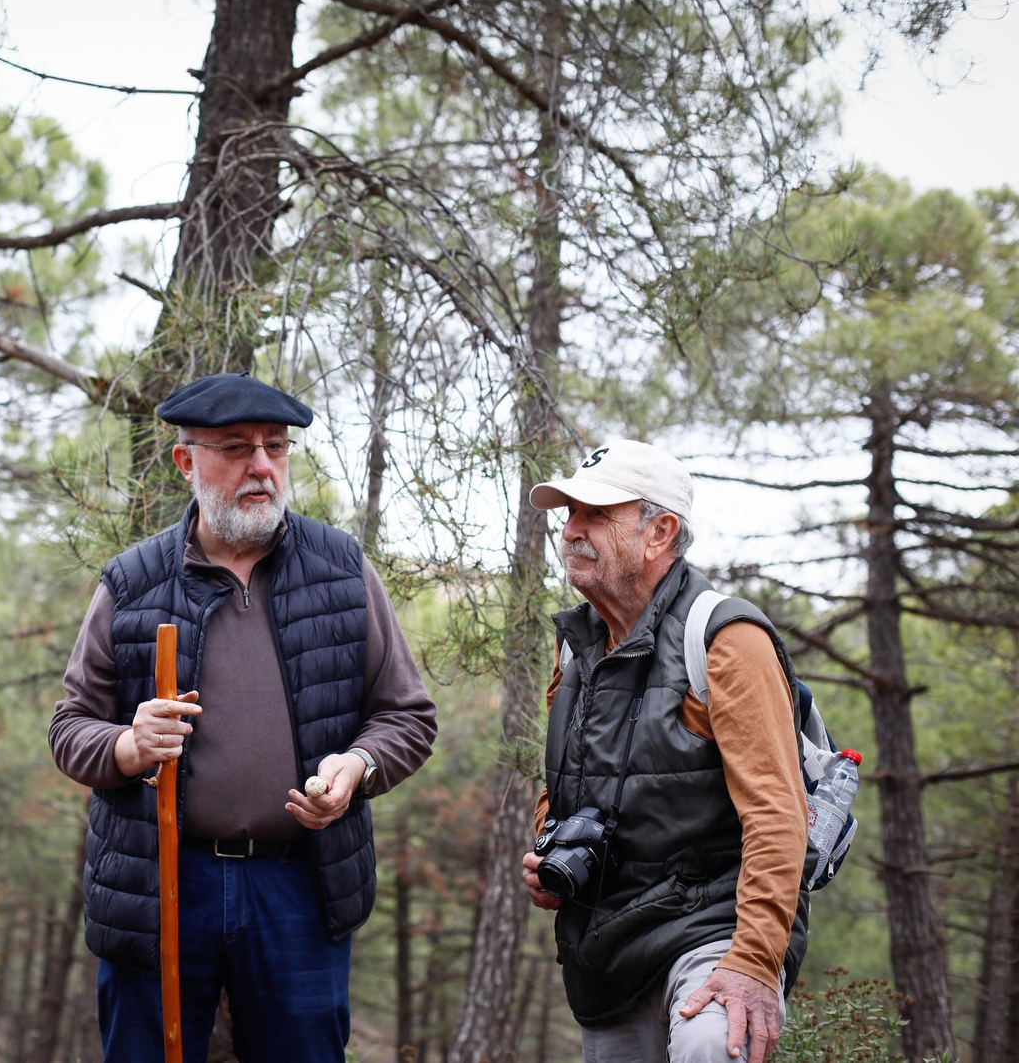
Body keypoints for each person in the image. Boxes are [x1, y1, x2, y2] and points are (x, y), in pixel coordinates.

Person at [49, 372, 438, 1062]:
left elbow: (406, 716)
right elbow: (70, 728)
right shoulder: (132, 582)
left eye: (275, 447)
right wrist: (129, 746)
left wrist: (356, 767)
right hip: (160, 882)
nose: (262, 466)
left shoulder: (342, 569)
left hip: (299, 885)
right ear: (186, 461)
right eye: (236, 448)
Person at [520, 440, 809, 1063]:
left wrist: (754, 963)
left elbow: (777, 815)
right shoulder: (574, 646)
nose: (571, 531)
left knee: (711, 1047)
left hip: (712, 931)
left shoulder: (727, 641)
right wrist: (551, 848)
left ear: (661, 532)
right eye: (569, 513)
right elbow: (563, 779)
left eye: (596, 515)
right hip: (609, 947)